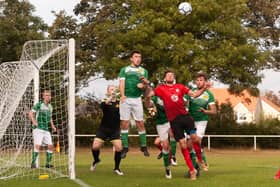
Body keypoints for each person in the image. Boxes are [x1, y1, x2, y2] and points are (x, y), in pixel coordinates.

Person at [151, 70, 209, 180]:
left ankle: (200, 160)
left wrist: (204, 88)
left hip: (186, 117)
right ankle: (192, 170)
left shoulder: (180, 87)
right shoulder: (160, 89)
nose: (170, 76)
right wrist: (144, 88)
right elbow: (150, 94)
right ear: (164, 78)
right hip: (174, 121)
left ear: (174, 77)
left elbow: (195, 94)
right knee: (183, 145)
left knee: (195, 139)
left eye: (172, 74)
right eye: (168, 74)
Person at [118, 50, 150, 158]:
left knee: (140, 123)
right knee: (124, 123)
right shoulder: (124, 70)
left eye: (140, 57)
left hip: (137, 99)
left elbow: (146, 86)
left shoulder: (144, 71)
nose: (138, 59)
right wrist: (122, 95)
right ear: (131, 58)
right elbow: (121, 83)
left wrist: (143, 85)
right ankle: (125, 147)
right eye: (136, 56)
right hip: (126, 99)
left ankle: (144, 146)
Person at [90, 85, 124, 175]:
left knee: (119, 148)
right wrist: (111, 97)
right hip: (103, 129)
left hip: (115, 130)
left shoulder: (120, 102)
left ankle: (116, 168)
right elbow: (103, 106)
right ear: (108, 91)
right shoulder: (104, 101)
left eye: (114, 89)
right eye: (111, 89)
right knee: (95, 147)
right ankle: (96, 160)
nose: (113, 91)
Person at [186, 72, 216, 171]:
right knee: (189, 146)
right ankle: (200, 161)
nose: (199, 82)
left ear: (205, 82)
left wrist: (205, 111)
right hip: (190, 120)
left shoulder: (209, 95)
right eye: (197, 80)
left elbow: (214, 111)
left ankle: (198, 165)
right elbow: (184, 102)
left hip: (202, 121)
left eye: (201, 80)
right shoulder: (191, 92)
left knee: (197, 140)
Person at [29, 90, 56, 168]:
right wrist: (34, 121)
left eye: (49, 95)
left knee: (50, 146)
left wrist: (53, 126)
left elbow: (50, 118)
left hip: (46, 129)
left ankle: (48, 164)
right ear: (43, 96)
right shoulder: (39, 104)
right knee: (38, 146)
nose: (48, 96)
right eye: (46, 95)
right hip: (38, 129)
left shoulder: (50, 106)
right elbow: (30, 113)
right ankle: (33, 163)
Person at [151, 95, 177, 179]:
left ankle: (173, 156)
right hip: (161, 124)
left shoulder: (171, 96)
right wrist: (152, 111)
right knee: (162, 145)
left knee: (173, 134)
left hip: (171, 120)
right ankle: (167, 169)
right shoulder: (154, 98)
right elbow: (149, 105)